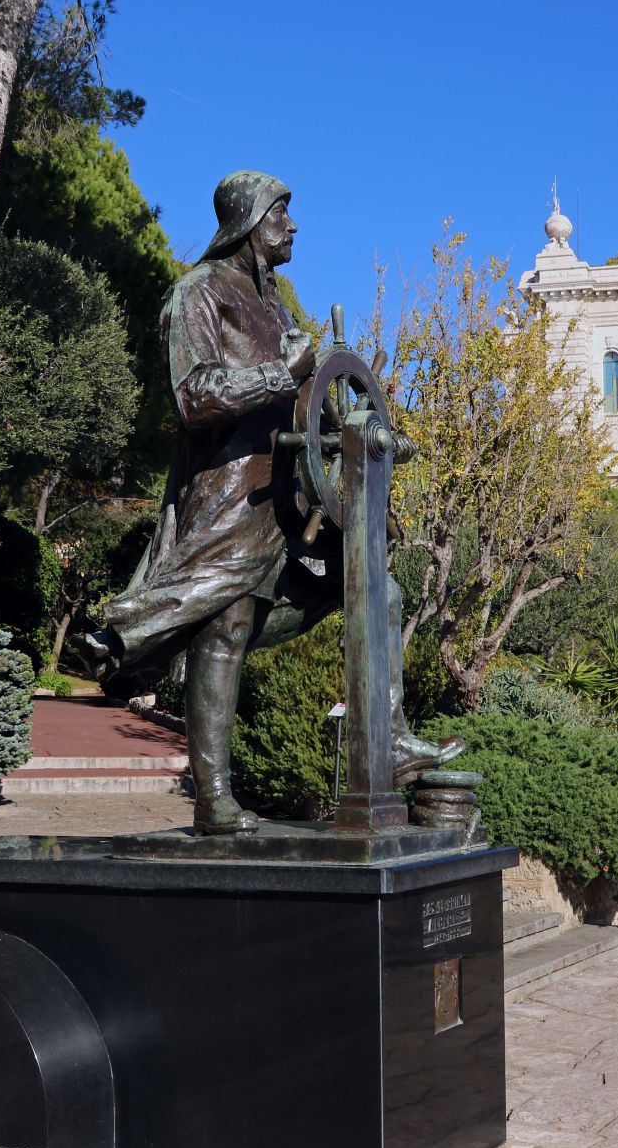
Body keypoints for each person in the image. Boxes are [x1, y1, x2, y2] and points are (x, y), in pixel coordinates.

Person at [77, 170, 461, 834]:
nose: (292, 226)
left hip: (293, 498)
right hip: (228, 496)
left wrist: (358, 434)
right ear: (250, 222)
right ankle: (214, 798)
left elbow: (309, 397)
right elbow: (192, 395)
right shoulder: (197, 292)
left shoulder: (276, 305)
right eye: (281, 213)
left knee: (377, 591)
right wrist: (281, 373)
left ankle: (390, 740)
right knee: (223, 626)